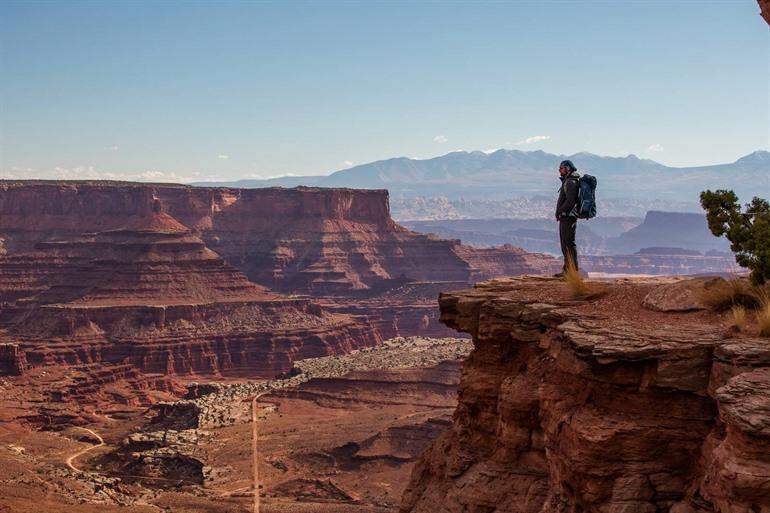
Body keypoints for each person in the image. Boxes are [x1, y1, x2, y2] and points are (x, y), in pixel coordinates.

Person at [554, 160, 579, 277]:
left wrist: (559, 211)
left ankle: (571, 272)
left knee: (568, 244)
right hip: (565, 217)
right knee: (565, 244)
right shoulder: (568, 181)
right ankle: (567, 270)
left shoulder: (571, 182)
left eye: (561, 168)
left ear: (568, 168)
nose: (559, 170)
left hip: (569, 217)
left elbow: (570, 202)